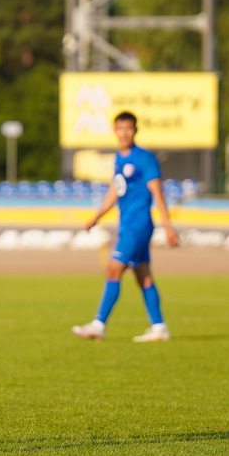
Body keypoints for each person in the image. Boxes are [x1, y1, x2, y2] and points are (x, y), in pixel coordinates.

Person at [72, 111, 179, 342]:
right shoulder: (119, 158)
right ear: (115, 131)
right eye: (120, 128)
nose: (124, 133)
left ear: (135, 130)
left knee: (113, 269)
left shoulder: (144, 158)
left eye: (128, 128)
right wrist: (97, 215)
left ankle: (98, 325)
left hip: (138, 226)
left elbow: (157, 192)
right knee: (144, 277)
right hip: (127, 225)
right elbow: (115, 189)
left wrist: (168, 226)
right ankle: (159, 328)